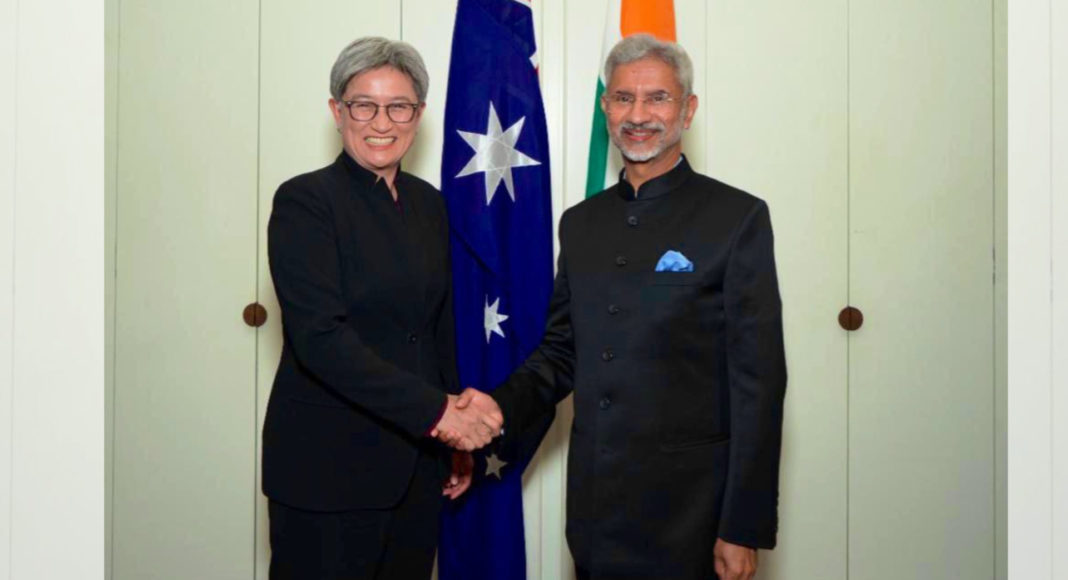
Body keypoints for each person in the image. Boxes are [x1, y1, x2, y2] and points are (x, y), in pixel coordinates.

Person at [451, 34, 787, 580]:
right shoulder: (581, 224)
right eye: (624, 98)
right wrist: (491, 410)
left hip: (692, 516)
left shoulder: (737, 218)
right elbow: (561, 353)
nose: (639, 115)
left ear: (688, 109)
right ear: (606, 108)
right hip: (596, 510)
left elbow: (759, 384)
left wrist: (742, 525)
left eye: (658, 98)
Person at [262, 36, 502, 580]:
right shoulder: (305, 201)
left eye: (399, 106)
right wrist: (440, 416)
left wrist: (451, 438)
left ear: (418, 114)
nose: (381, 122)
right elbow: (321, 338)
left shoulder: (428, 203)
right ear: (336, 111)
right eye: (363, 105)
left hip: (417, 467)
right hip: (326, 470)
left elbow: (435, 327)